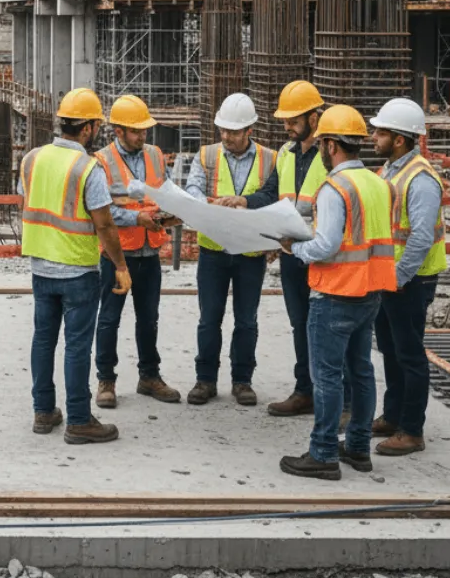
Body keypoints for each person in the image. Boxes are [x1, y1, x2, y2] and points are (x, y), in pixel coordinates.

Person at [277, 105, 396, 480]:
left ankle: (324, 453)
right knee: (361, 372)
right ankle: (358, 447)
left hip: (334, 294)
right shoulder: (379, 183)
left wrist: (293, 249)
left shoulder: (333, 189)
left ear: (329, 145)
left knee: (326, 377)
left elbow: (327, 245)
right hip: (369, 293)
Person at [19, 88, 131, 445]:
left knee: (43, 340)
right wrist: (120, 265)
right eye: (96, 125)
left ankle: (43, 411)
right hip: (78, 271)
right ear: (87, 128)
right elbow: (105, 224)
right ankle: (80, 420)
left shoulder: (32, 159)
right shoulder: (87, 167)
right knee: (77, 346)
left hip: (41, 267)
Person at [183, 93, 277, 407]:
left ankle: (242, 381)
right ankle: (205, 380)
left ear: (249, 130)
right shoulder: (207, 155)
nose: (227, 137)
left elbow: (273, 198)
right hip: (213, 251)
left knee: (246, 320)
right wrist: (206, 203)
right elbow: (193, 187)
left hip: (250, 253)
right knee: (209, 318)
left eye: (234, 132)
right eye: (223, 130)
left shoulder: (269, 159)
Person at [246, 80, 330, 418]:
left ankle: (338, 397)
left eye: (293, 120)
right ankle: (305, 391)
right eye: (285, 121)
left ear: (314, 117)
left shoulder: (331, 153)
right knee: (301, 324)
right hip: (293, 256)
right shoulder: (285, 153)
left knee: (327, 328)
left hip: (325, 256)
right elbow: (271, 193)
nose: (287, 127)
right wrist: (243, 201)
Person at [94, 94, 183, 408]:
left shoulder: (156, 155)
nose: (143, 135)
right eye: (136, 131)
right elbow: (101, 210)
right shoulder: (102, 161)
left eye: (145, 130)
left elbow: (166, 192)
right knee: (109, 320)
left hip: (149, 253)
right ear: (118, 131)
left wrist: (173, 211)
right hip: (117, 256)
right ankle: (106, 380)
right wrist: (138, 218)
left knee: (149, 319)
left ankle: (149, 376)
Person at [370, 97, 446, 456]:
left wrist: (398, 277)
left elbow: (419, 237)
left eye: (380, 132)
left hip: (411, 280)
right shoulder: (390, 171)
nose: (373, 137)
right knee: (390, 349)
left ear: (399, 139)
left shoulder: (421, 179)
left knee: (410, 354)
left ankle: (412, 430)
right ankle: (393, 415)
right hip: (392, 278)